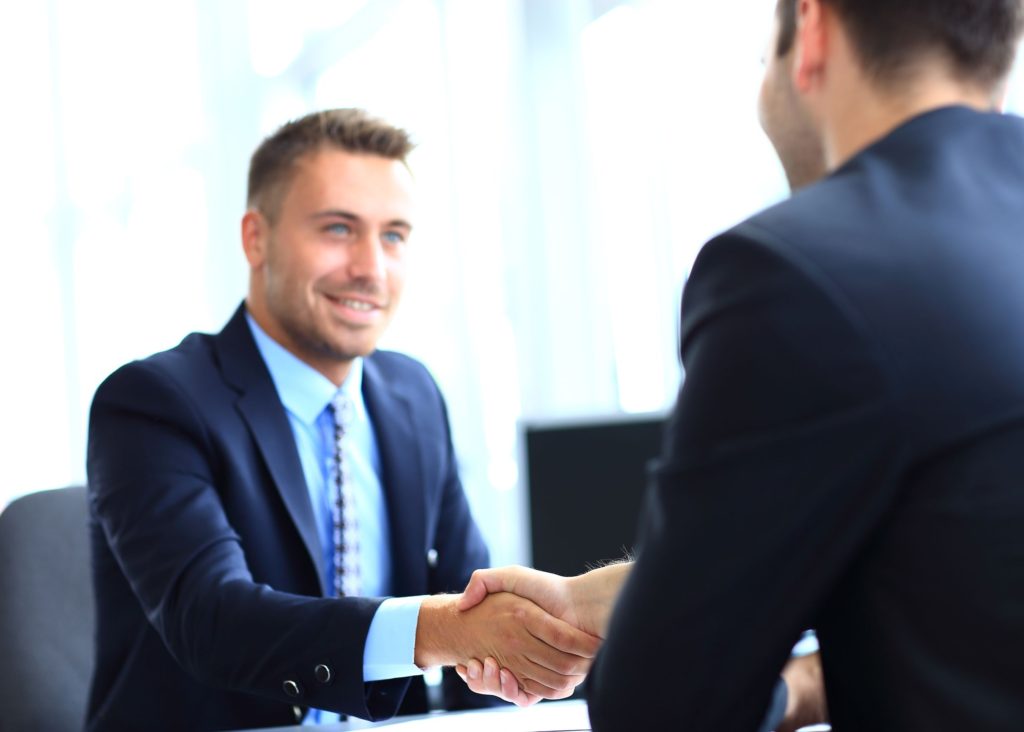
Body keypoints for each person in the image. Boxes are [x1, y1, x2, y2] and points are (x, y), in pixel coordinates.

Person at [457, 0, 1024, 729]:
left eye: (764, 59)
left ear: (811, 33)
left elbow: (659, 709)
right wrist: (625, 592)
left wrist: (800, 678)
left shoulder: (794, 273)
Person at [85, 108, 598, 731]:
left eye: (394, 236)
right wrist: (443, 632)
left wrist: (522, 658)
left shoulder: (412, 395)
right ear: (256, 238)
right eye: (337, 229)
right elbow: (213, 621)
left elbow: (475, 608)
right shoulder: (153, 402)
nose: (371, 268)